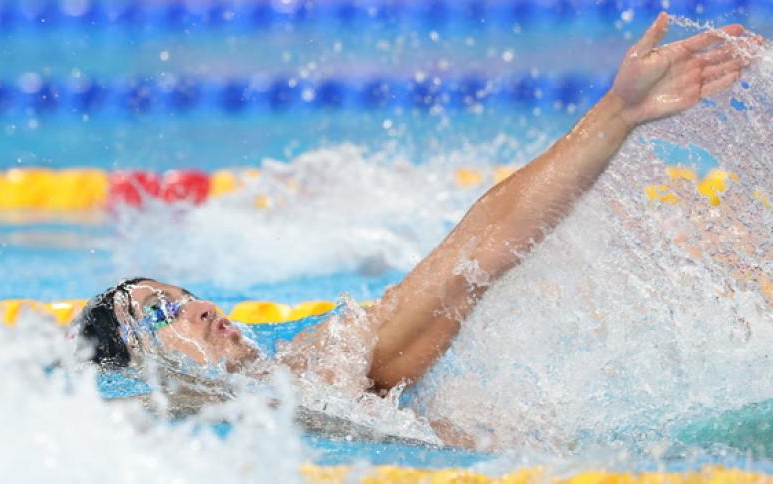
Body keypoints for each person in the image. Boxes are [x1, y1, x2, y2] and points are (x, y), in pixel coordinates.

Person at [72, 13, 762, 437]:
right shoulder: (195, 415)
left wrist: (616, 115)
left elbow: (473, 258)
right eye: (159, 315)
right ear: (141, 367)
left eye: (178, 293)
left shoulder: (314, 367)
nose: (193, 306)